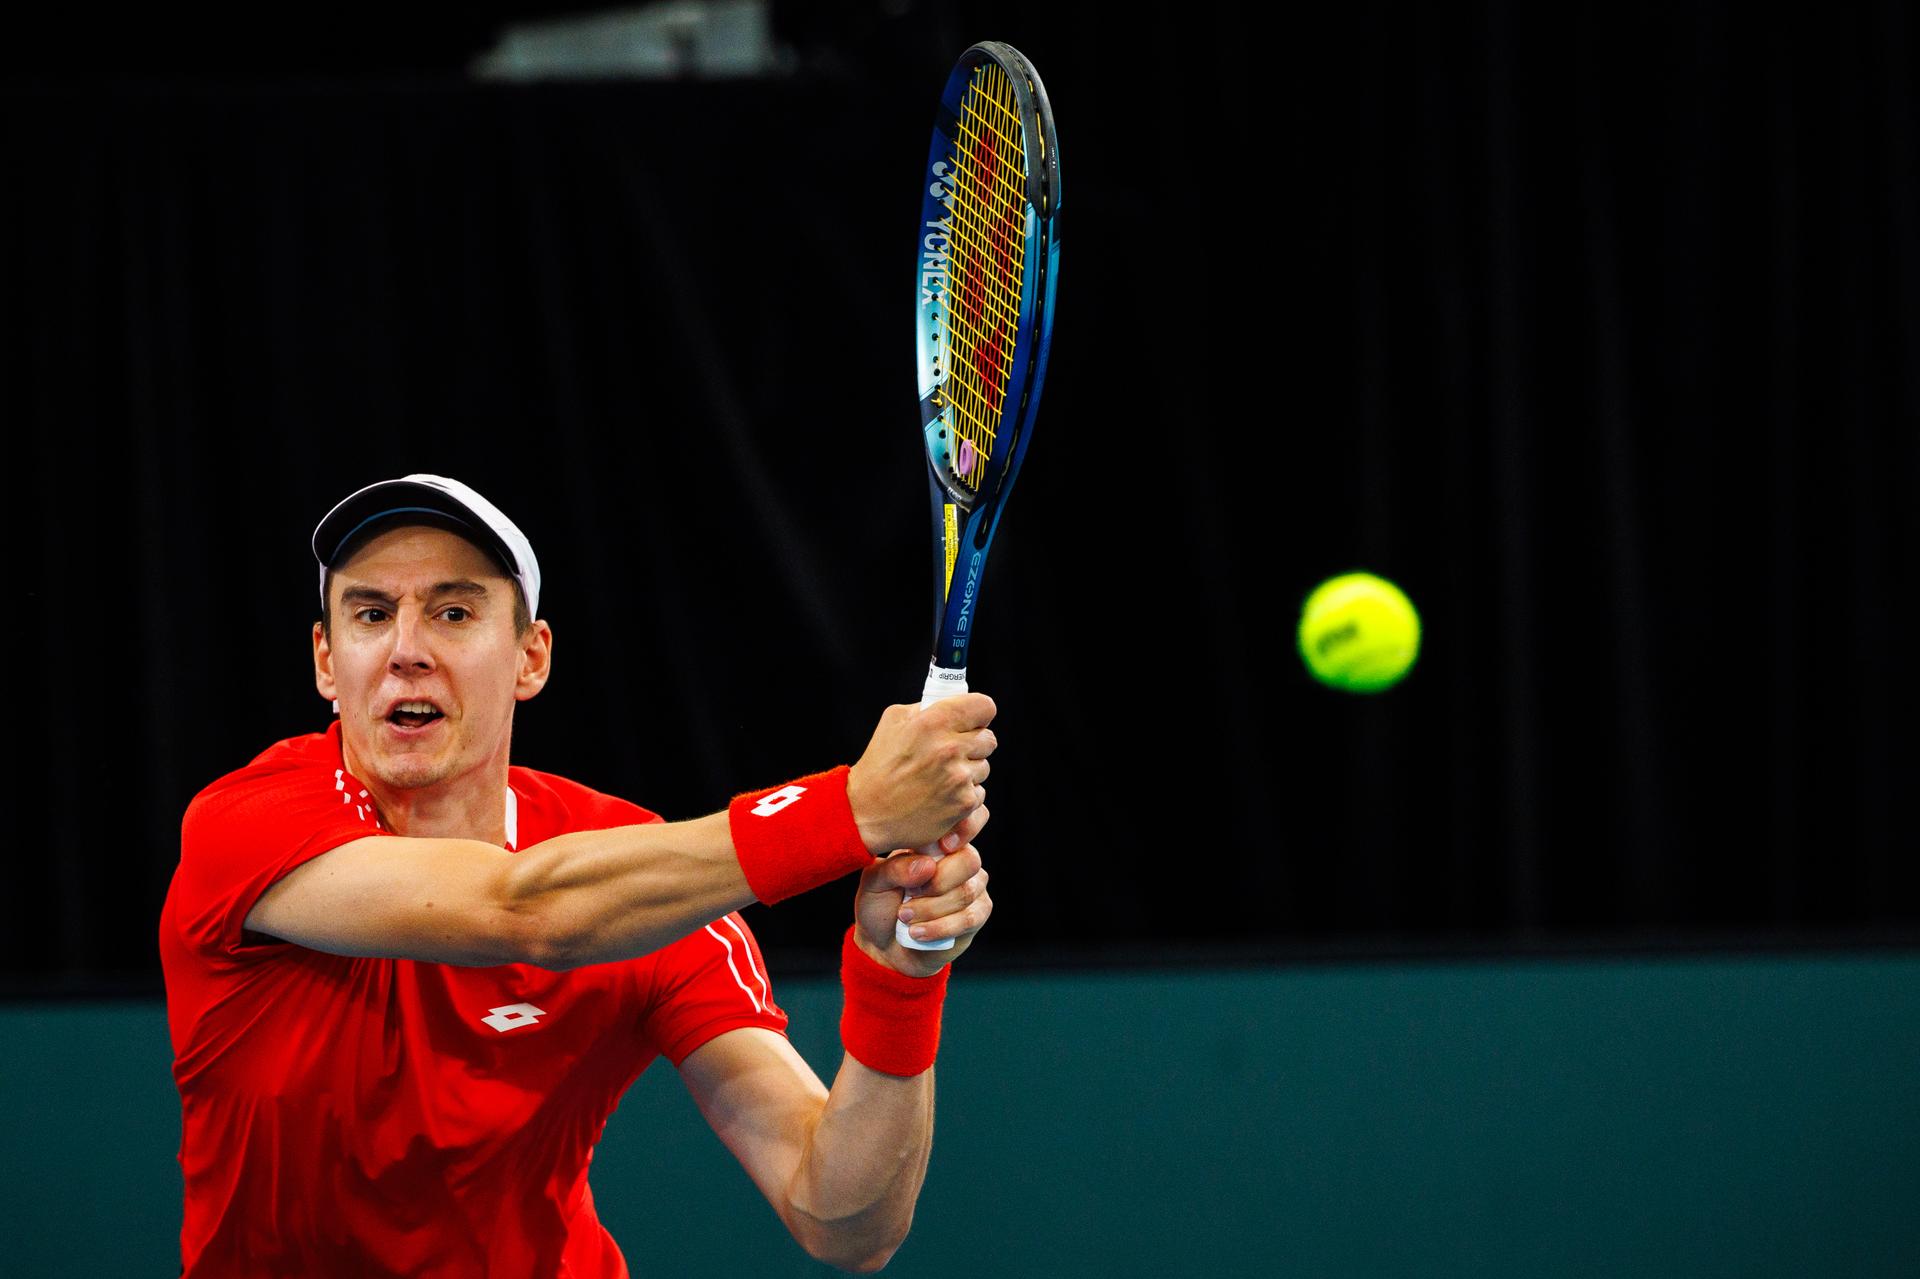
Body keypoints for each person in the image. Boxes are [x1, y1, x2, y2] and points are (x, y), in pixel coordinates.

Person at [159, 474, 998, 1277]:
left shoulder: (639, 880)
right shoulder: (245, 826)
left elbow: (842, 1219)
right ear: (326, 660)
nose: (407, 650)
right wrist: (850, 808)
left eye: (454, 611)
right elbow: (523, 908)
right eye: (371, 613)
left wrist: (900, 979)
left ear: (531, 657)